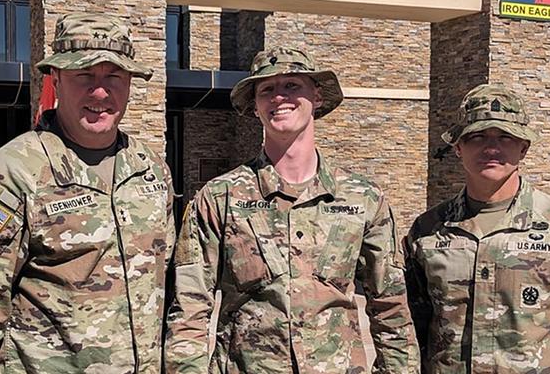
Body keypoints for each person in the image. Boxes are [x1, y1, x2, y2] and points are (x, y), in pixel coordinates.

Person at [0, 13, 175, 373]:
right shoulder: (13, 172)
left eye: (114, 77)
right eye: (84, 76)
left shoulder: (150, 169)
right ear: (56, 80)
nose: (101, 92)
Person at [165, 46, 420, 373]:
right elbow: (190, 310)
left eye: (292, 86)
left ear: (316, 97)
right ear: (255, 106)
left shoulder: (363, 199)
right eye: (267, 89)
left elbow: (392, 310)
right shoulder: (219, 198)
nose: (279, 97)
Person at [404, 84, 550, 374]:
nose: (491, 148)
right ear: (458, 147)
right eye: (477, 136)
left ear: (523, 147)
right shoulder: (428, 231)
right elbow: (409, 331)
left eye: (505, 137)